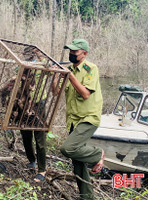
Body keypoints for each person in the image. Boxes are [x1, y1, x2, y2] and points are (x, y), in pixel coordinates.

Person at [52, 39, 104, 199]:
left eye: (75, 51)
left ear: (84, 54)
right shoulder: (70, 70)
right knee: (78, 163)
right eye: (70, 51)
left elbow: (86, 93)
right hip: (74, 120)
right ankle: (87, 197)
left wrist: (69, 75)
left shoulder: (90, 69)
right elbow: (56, 92)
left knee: (67, 149)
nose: (71, 54)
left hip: (88, 118)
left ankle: (98, 154)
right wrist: (57, 75)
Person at [19, 46, 47, 183]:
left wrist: (40, 56)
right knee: (25, 134)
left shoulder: (41, 65)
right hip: (24, 104)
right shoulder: (22, 65)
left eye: (31, 54)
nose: (28, 56)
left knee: (40, 138)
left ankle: (42, 170)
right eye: (26, 54)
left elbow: (50, 71)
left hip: (38, 104)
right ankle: (31, 161)